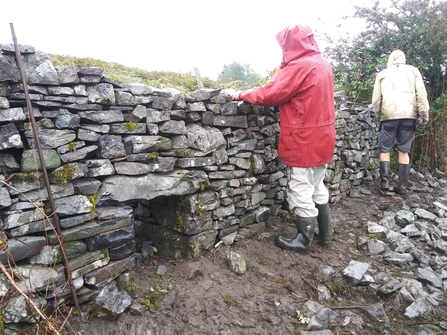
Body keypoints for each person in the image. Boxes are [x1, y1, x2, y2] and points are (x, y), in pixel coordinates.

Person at [232, 24, 336, 253]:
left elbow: (271, 93)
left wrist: (241, 94)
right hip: (324, 137)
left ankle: (303, 240)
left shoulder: (300, 66)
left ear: (291, 44)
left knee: (300, 187)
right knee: (317, 183)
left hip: (304, 138)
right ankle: (326, 234)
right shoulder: (322, 64)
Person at [372, 50, 430, 195]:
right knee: (404, 150)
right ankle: (402, 186)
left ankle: (384, 183)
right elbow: (421, 94)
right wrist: (423, 114)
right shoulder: (413, 71)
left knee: (384, 149)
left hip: (388, 116)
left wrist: (379, 114)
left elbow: (376, 99)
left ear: (390, 59)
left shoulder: (382, 74)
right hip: (409, 116)